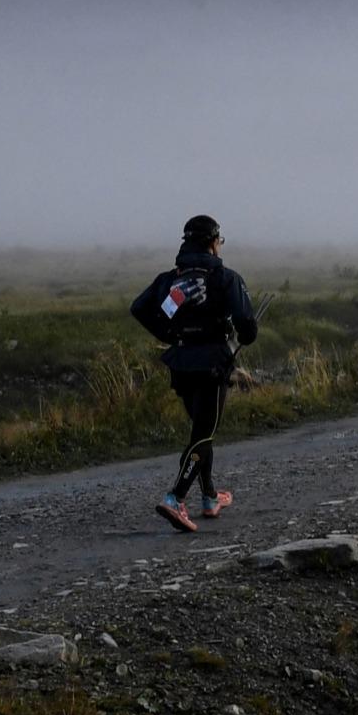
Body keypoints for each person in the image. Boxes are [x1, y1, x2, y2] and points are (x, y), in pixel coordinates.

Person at [129, 214, 259, 533]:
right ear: (212, 241)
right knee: (203, 434)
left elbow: (139, 308)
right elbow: (247, 325)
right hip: (213, 361)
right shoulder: (225, 278)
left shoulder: (172, 281)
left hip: (180, 362)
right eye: (219, 240)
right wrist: (243, 333)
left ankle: (210, 497)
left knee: (200, 433)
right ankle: (175, 498)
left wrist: (169, 334)